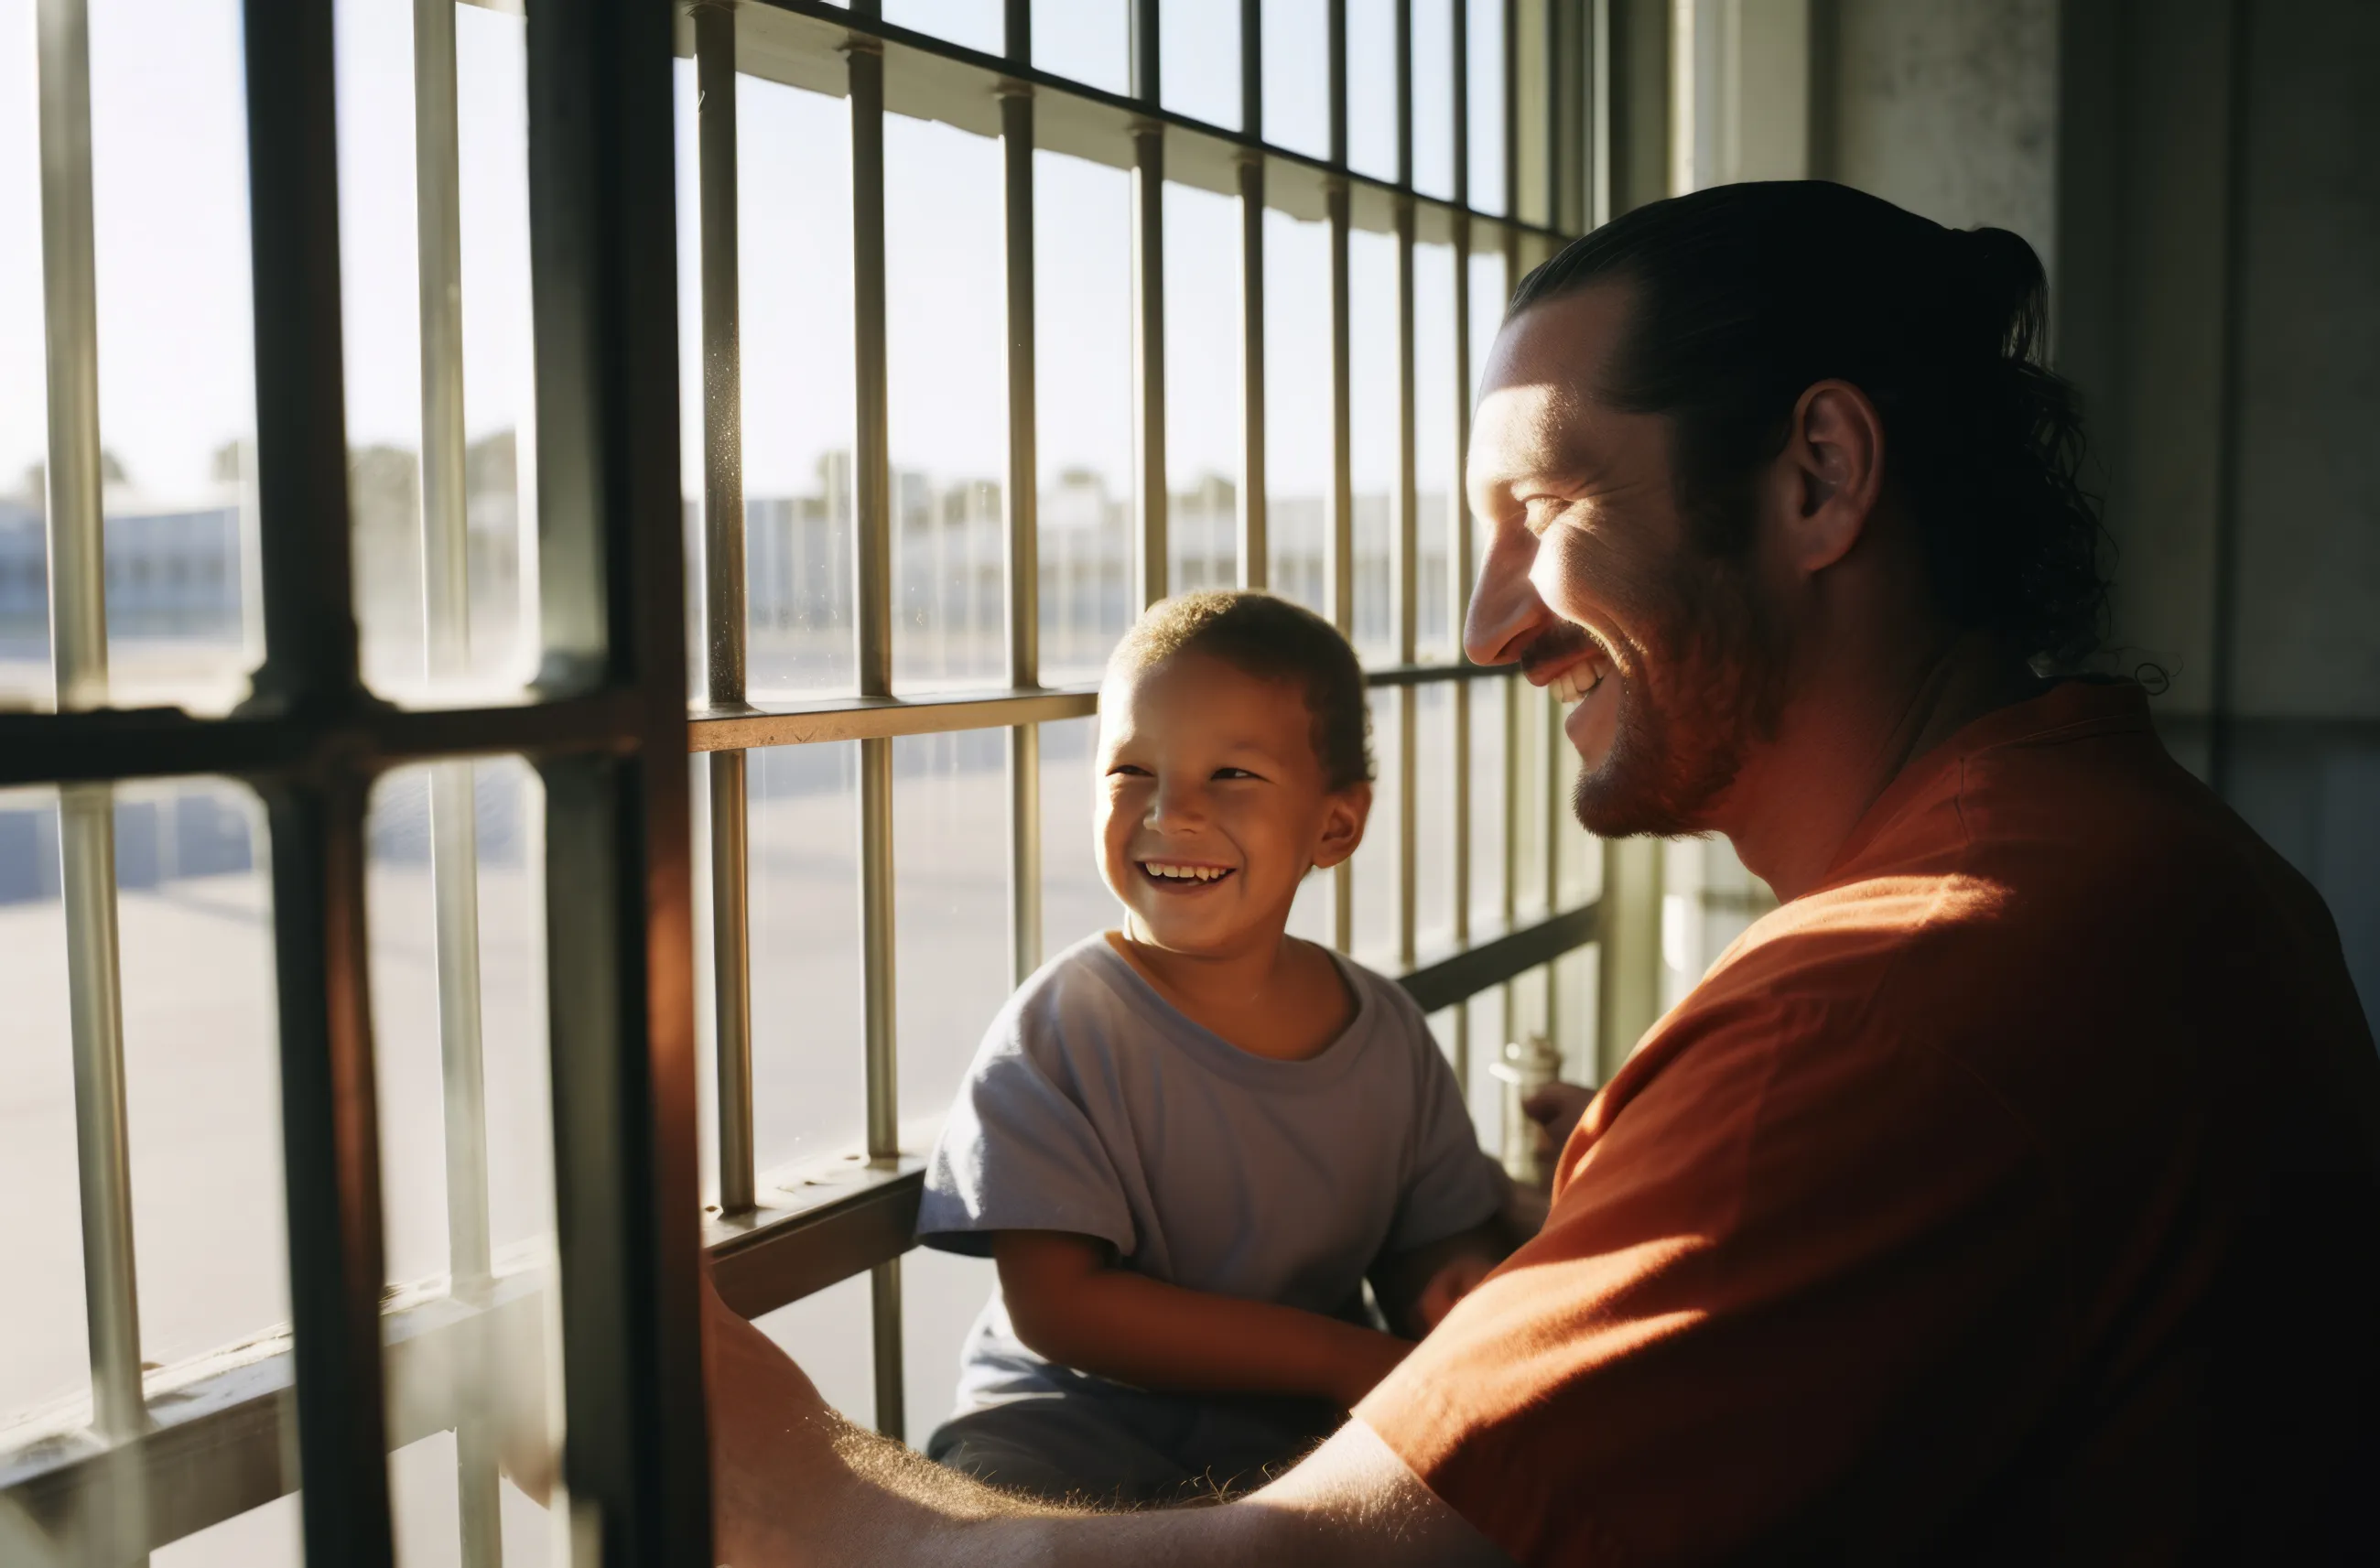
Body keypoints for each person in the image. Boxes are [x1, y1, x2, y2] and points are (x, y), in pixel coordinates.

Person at [701, 181, 2380, 1566]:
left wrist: (741, 1442)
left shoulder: (1898, 1005)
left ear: (1820, 476)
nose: (1487, 624)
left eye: (1549, 504)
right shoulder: (2145, 866)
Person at [912, 590, 1513, 1504]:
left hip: (1300, 1432)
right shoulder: (1063, 1025)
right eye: (1130, 772)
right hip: (1067, 1426)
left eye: (1230, 775)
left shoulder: (1383, 1032)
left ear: (1334, 824)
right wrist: (1335, 1356)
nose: (1171, 812)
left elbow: (1424, 1249)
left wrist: (1451, 1285)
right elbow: (1056, 1307)